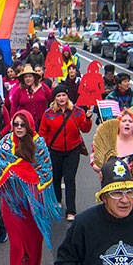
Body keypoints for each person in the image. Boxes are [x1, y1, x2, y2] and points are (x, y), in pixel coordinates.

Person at [0, 109, 59, 265]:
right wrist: (16, 175)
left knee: (33, 242)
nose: (19, 127)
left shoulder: (40, 144)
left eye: (23, 124)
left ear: (29, 125)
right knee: (17, 244)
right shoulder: (5, 143)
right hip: (11, 202)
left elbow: (46, 171)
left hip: (33, 203)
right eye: (16, 124)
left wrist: (28, 178)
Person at [39, 83, 92, 221]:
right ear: (54, 98)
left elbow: (85, 129)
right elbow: (43, 133)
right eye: (58, 96)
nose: (62, 98)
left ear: (67, 96)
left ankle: (71, 210)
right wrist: (42, 150)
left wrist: (88, 118)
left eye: (64, 95)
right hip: (54, 151)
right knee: (55, 178)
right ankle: (57, 202)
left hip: (72, 150)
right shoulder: (48, 114)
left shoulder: (77, 112)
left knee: (70, 179)